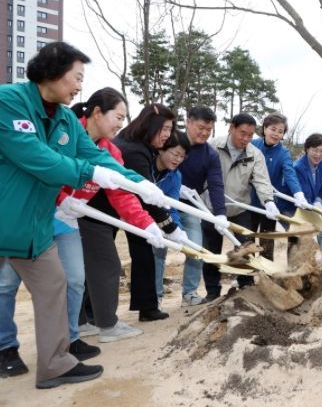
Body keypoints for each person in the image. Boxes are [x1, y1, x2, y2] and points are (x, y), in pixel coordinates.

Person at [0, 42, 160, 388]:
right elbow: (35, 157)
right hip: (4, 219)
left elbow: (98, 156)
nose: (79, 87)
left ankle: (55, 364)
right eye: (77, 77)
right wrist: (89, 173)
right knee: (4, 287)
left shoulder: (65, 120)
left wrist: (141, 184)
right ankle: (5, 348)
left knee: (56, 284)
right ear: (52, 73)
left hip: (34, 227)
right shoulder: (8, 101)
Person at [65, 88, 156, 345]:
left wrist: (147, 224)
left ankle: (84, 325)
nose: (120, 124)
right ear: (97, 112)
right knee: (74, 274)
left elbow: (121, 194)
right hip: (49, 211)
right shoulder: (66, 133)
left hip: (75, 214)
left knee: (77, 275)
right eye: (118, 117)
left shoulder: (109, 151)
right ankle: (94, 325)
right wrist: (60, 199)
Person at [114, 103, 185, 322]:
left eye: (170, 129)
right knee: (107, 262)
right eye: (165, 129)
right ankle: (92, 314)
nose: (167, 135)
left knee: (143, 251)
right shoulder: (133, 150)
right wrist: (170, 226)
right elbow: (148, 197)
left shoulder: (142, 147)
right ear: (151, 125)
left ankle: (147, 306)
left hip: (128, 205)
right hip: (108, 205)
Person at [203, 113, 277, 294]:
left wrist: (268, 201)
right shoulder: (213, 146)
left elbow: (262, 181)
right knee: (211, 252)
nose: (246, 139)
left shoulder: (254, 154)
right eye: (242, 133)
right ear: (231, 128)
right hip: (211, 209)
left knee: (245, 248)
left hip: (239, 208)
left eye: (250, 135)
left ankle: (245, 286)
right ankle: (212, 291)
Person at [178, 106, 228, 305]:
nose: (205, 133)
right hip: (164, 204)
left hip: (191, 206)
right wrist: (173, 187)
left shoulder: (210, 154)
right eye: (201, 128)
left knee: (196, 249)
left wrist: (221, 214)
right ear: (188, 122)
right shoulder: (172, 142)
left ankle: (189, 293)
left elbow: (216, 185)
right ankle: (155, 297)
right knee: (159, 250)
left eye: (209, 129)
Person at [250, 113, 308, 260]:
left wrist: (298, 193)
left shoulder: (283, 153)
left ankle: (266, 269)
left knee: (267, 241)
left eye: (280, 131)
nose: (276, 134)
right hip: (249, 200)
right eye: (273, 129)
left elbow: (290, 174)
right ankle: (246, 272)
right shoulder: (252, 144)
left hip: (270, 204)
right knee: (247, 240)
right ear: (264, 129)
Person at [280, 133, 322, 263]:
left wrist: (318, 201)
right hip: (291, 207)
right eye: (315, 150)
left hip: (308, 204)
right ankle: (294, 267)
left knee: (319, 227)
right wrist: (314, 208)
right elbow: (303, 193)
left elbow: (319, 189)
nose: (318, 154)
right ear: (307, 149)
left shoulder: (321, 165)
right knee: (296, 236)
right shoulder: (298, 167)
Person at [153, 130, 191, 308]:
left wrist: (178, 229)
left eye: (182, 156)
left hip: (159, 218)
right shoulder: (145, 165)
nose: (178, 159)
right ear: (161, 148)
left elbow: (171, 206)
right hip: (133, 215)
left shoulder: (175, 176)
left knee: (159, 250)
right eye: (175, 154)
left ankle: (156, 298)